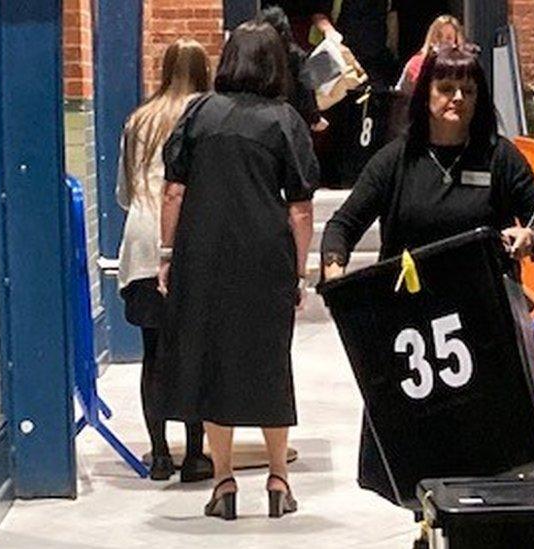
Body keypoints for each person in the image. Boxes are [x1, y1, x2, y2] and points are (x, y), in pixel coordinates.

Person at [320, 44, 534, 505]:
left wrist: (528, 238)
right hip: (409, 334)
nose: (456, 98)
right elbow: (343, 224)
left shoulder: (500, 159)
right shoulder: (396, 161)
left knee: (491, 459)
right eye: (446, 87)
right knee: (420, 462)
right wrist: (335, 266)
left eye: (467, 90)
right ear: (425, 94)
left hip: (484, 332)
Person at [157, 21, 318, 520]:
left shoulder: (199, 112)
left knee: (211, 364)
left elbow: (174, 190)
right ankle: (277, 479)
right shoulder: (284, 120)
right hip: (264, 255)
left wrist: (167, 255)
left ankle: (223, 482)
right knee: (269, 361)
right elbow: (300, 209)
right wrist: (297, 272)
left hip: (203, 254)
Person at [115, 38, 213, 483]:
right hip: (189, 243)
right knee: (194, 353)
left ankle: (158, 456)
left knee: (152, 354)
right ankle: (195, 455)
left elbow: (124, 192)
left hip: (139, 241)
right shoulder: (207, 115)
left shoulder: (139, 119)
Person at [258, 5, 329, 132]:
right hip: (292, 119)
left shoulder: (254, 54)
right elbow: (306, 91)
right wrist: (315, 118)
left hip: (261, 117)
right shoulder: (296, 55)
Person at [395, 15, 465, 94]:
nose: (442, 41)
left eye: (449, 38)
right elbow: (400, 94)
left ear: (456, 42)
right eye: (438, 36)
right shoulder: (415, 63)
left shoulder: (464, 66)